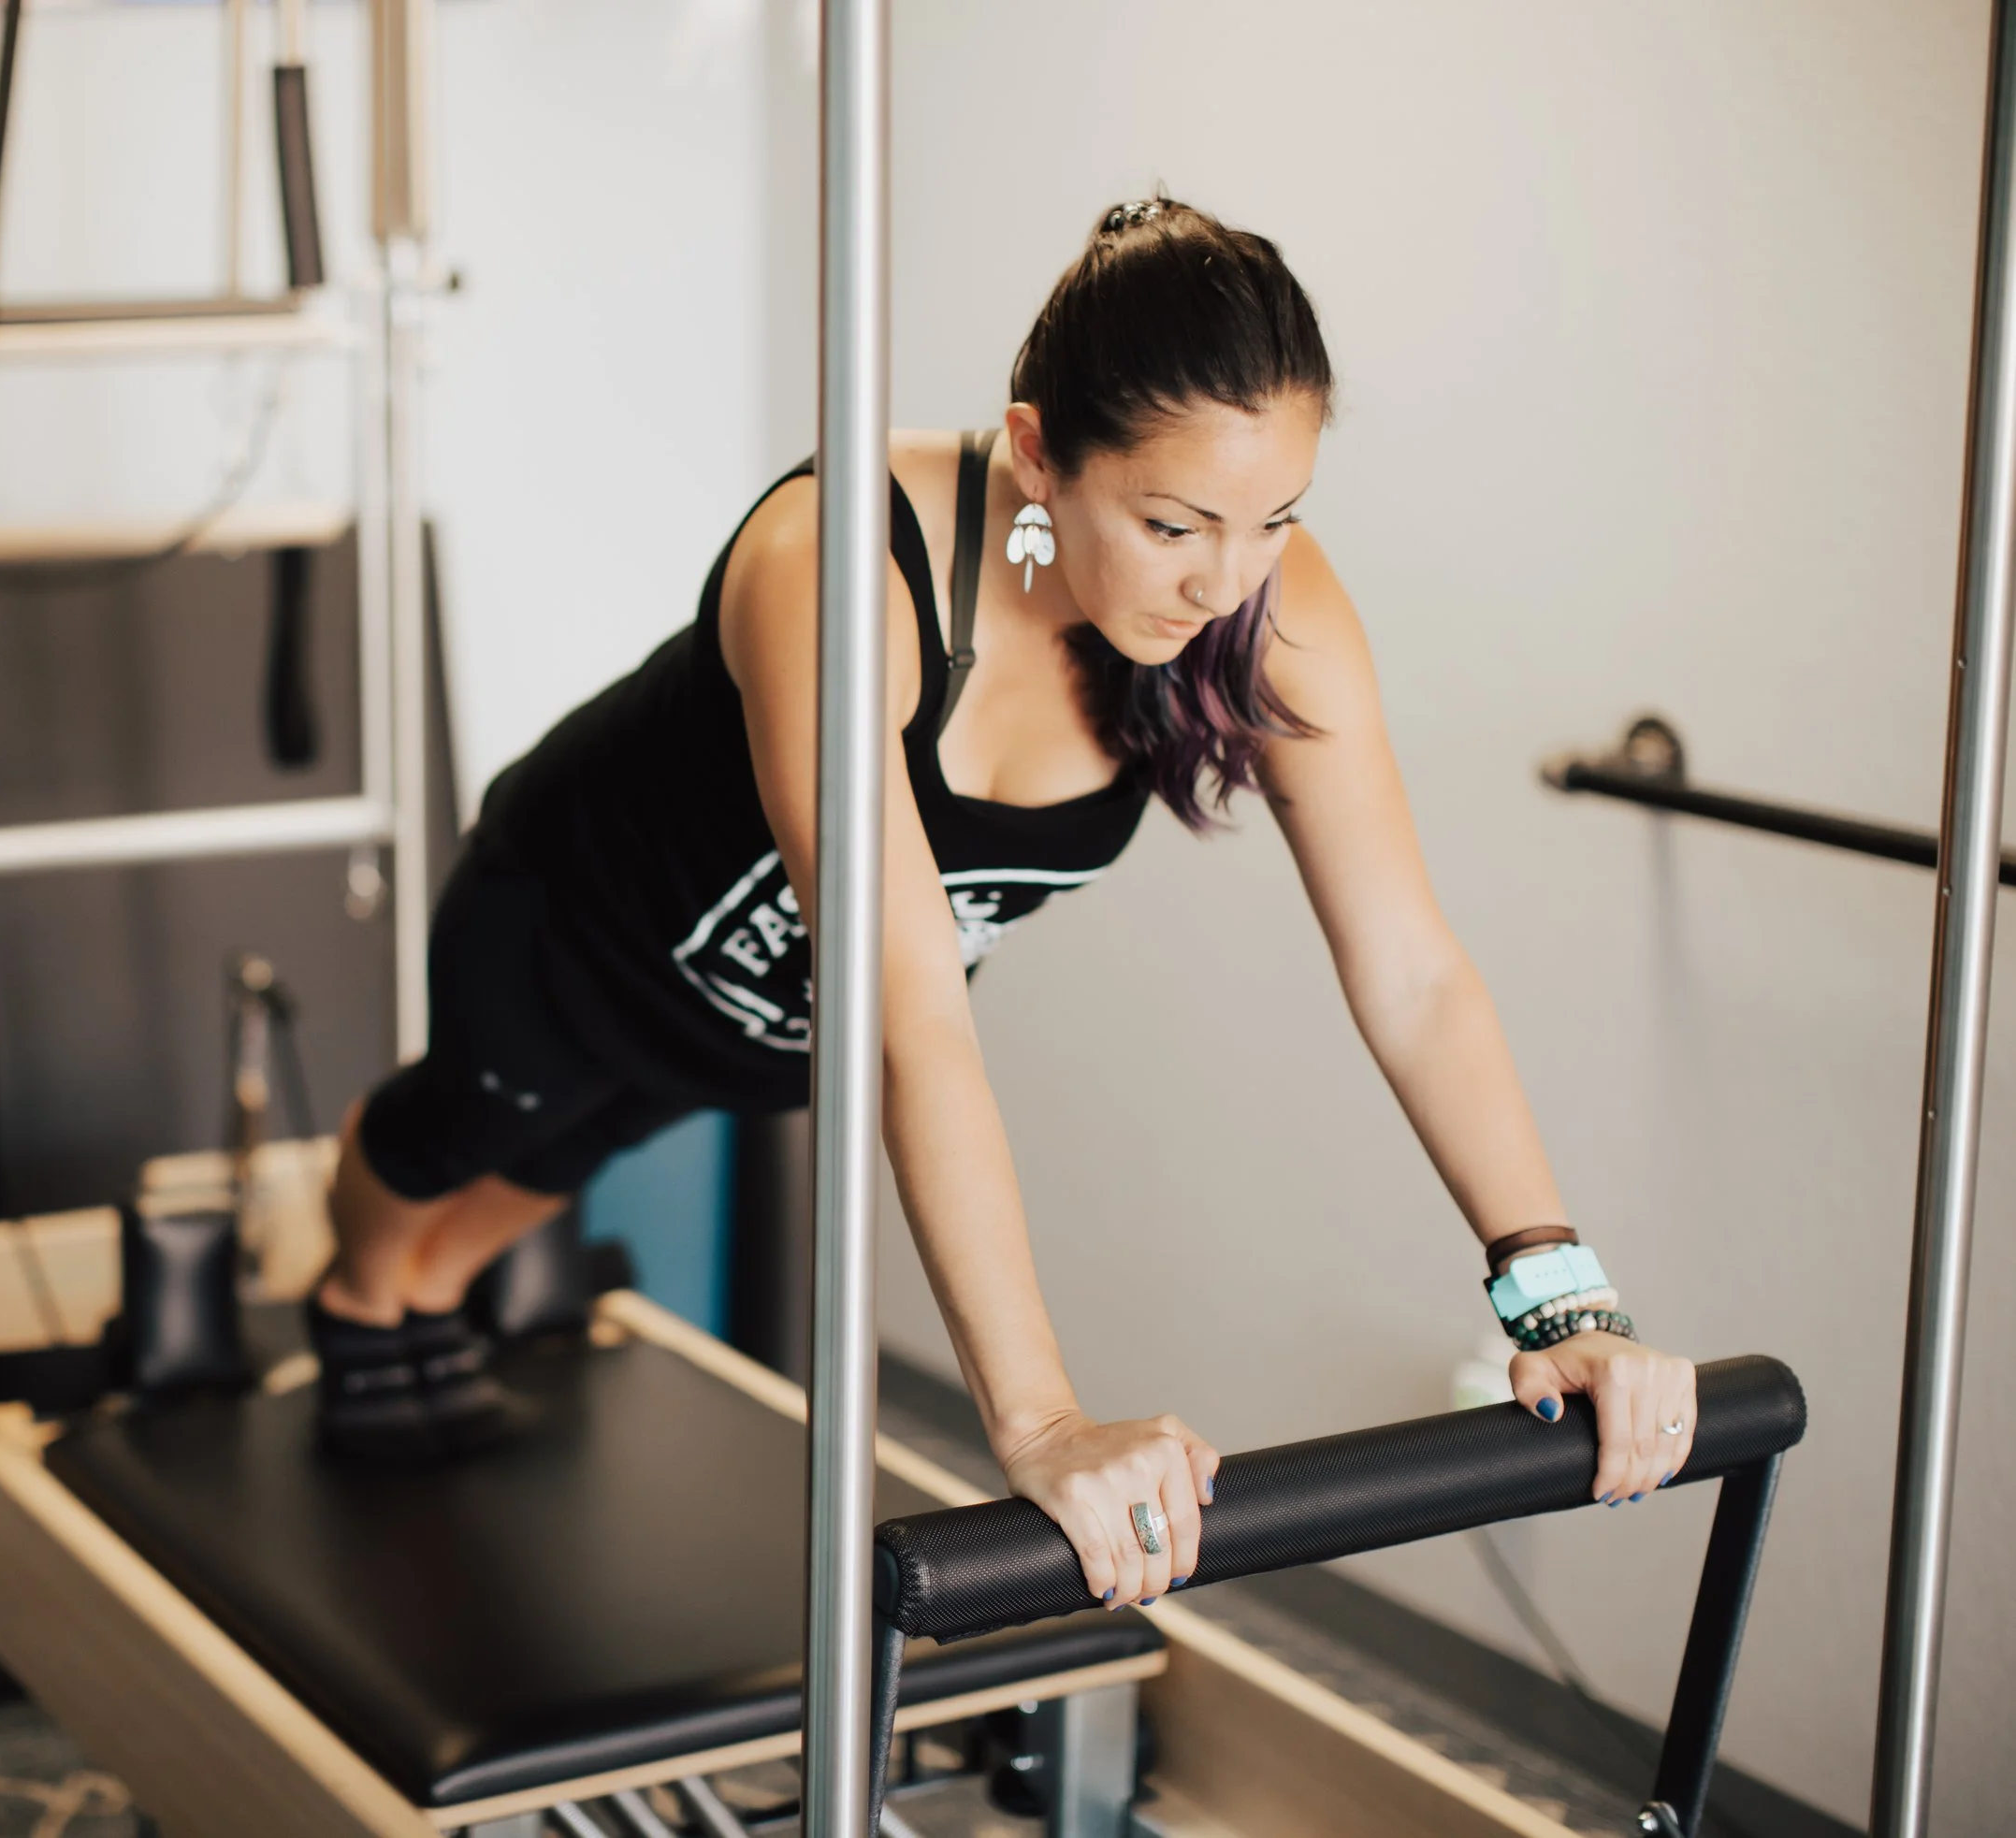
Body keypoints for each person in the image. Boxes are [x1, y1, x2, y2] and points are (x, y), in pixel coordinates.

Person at [306, 196, 1699, 1614]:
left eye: (1275, 518)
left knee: (556, 1161)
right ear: (1040, 453)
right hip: (573, 937)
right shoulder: (842, 565)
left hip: (766, 1033)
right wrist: (1039, 1421)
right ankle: (361, 1306)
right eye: (1172, 524)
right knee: (454, 1145)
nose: (1226, 579)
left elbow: (1409, 972)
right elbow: (910, 1013)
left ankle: (427, 1302)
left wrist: (1558, 1291)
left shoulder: (1266, 599)